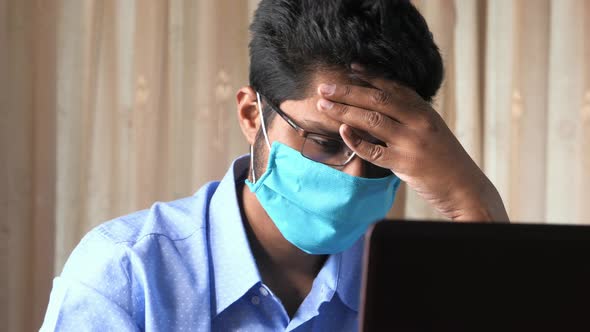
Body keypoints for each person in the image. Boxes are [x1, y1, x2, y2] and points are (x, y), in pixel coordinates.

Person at [41, 0, 509, 331]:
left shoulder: (416, 288)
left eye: (379, 152)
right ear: (251, 116)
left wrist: (475, 202)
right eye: (325, 142)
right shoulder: (128, 274)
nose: (353, 177)